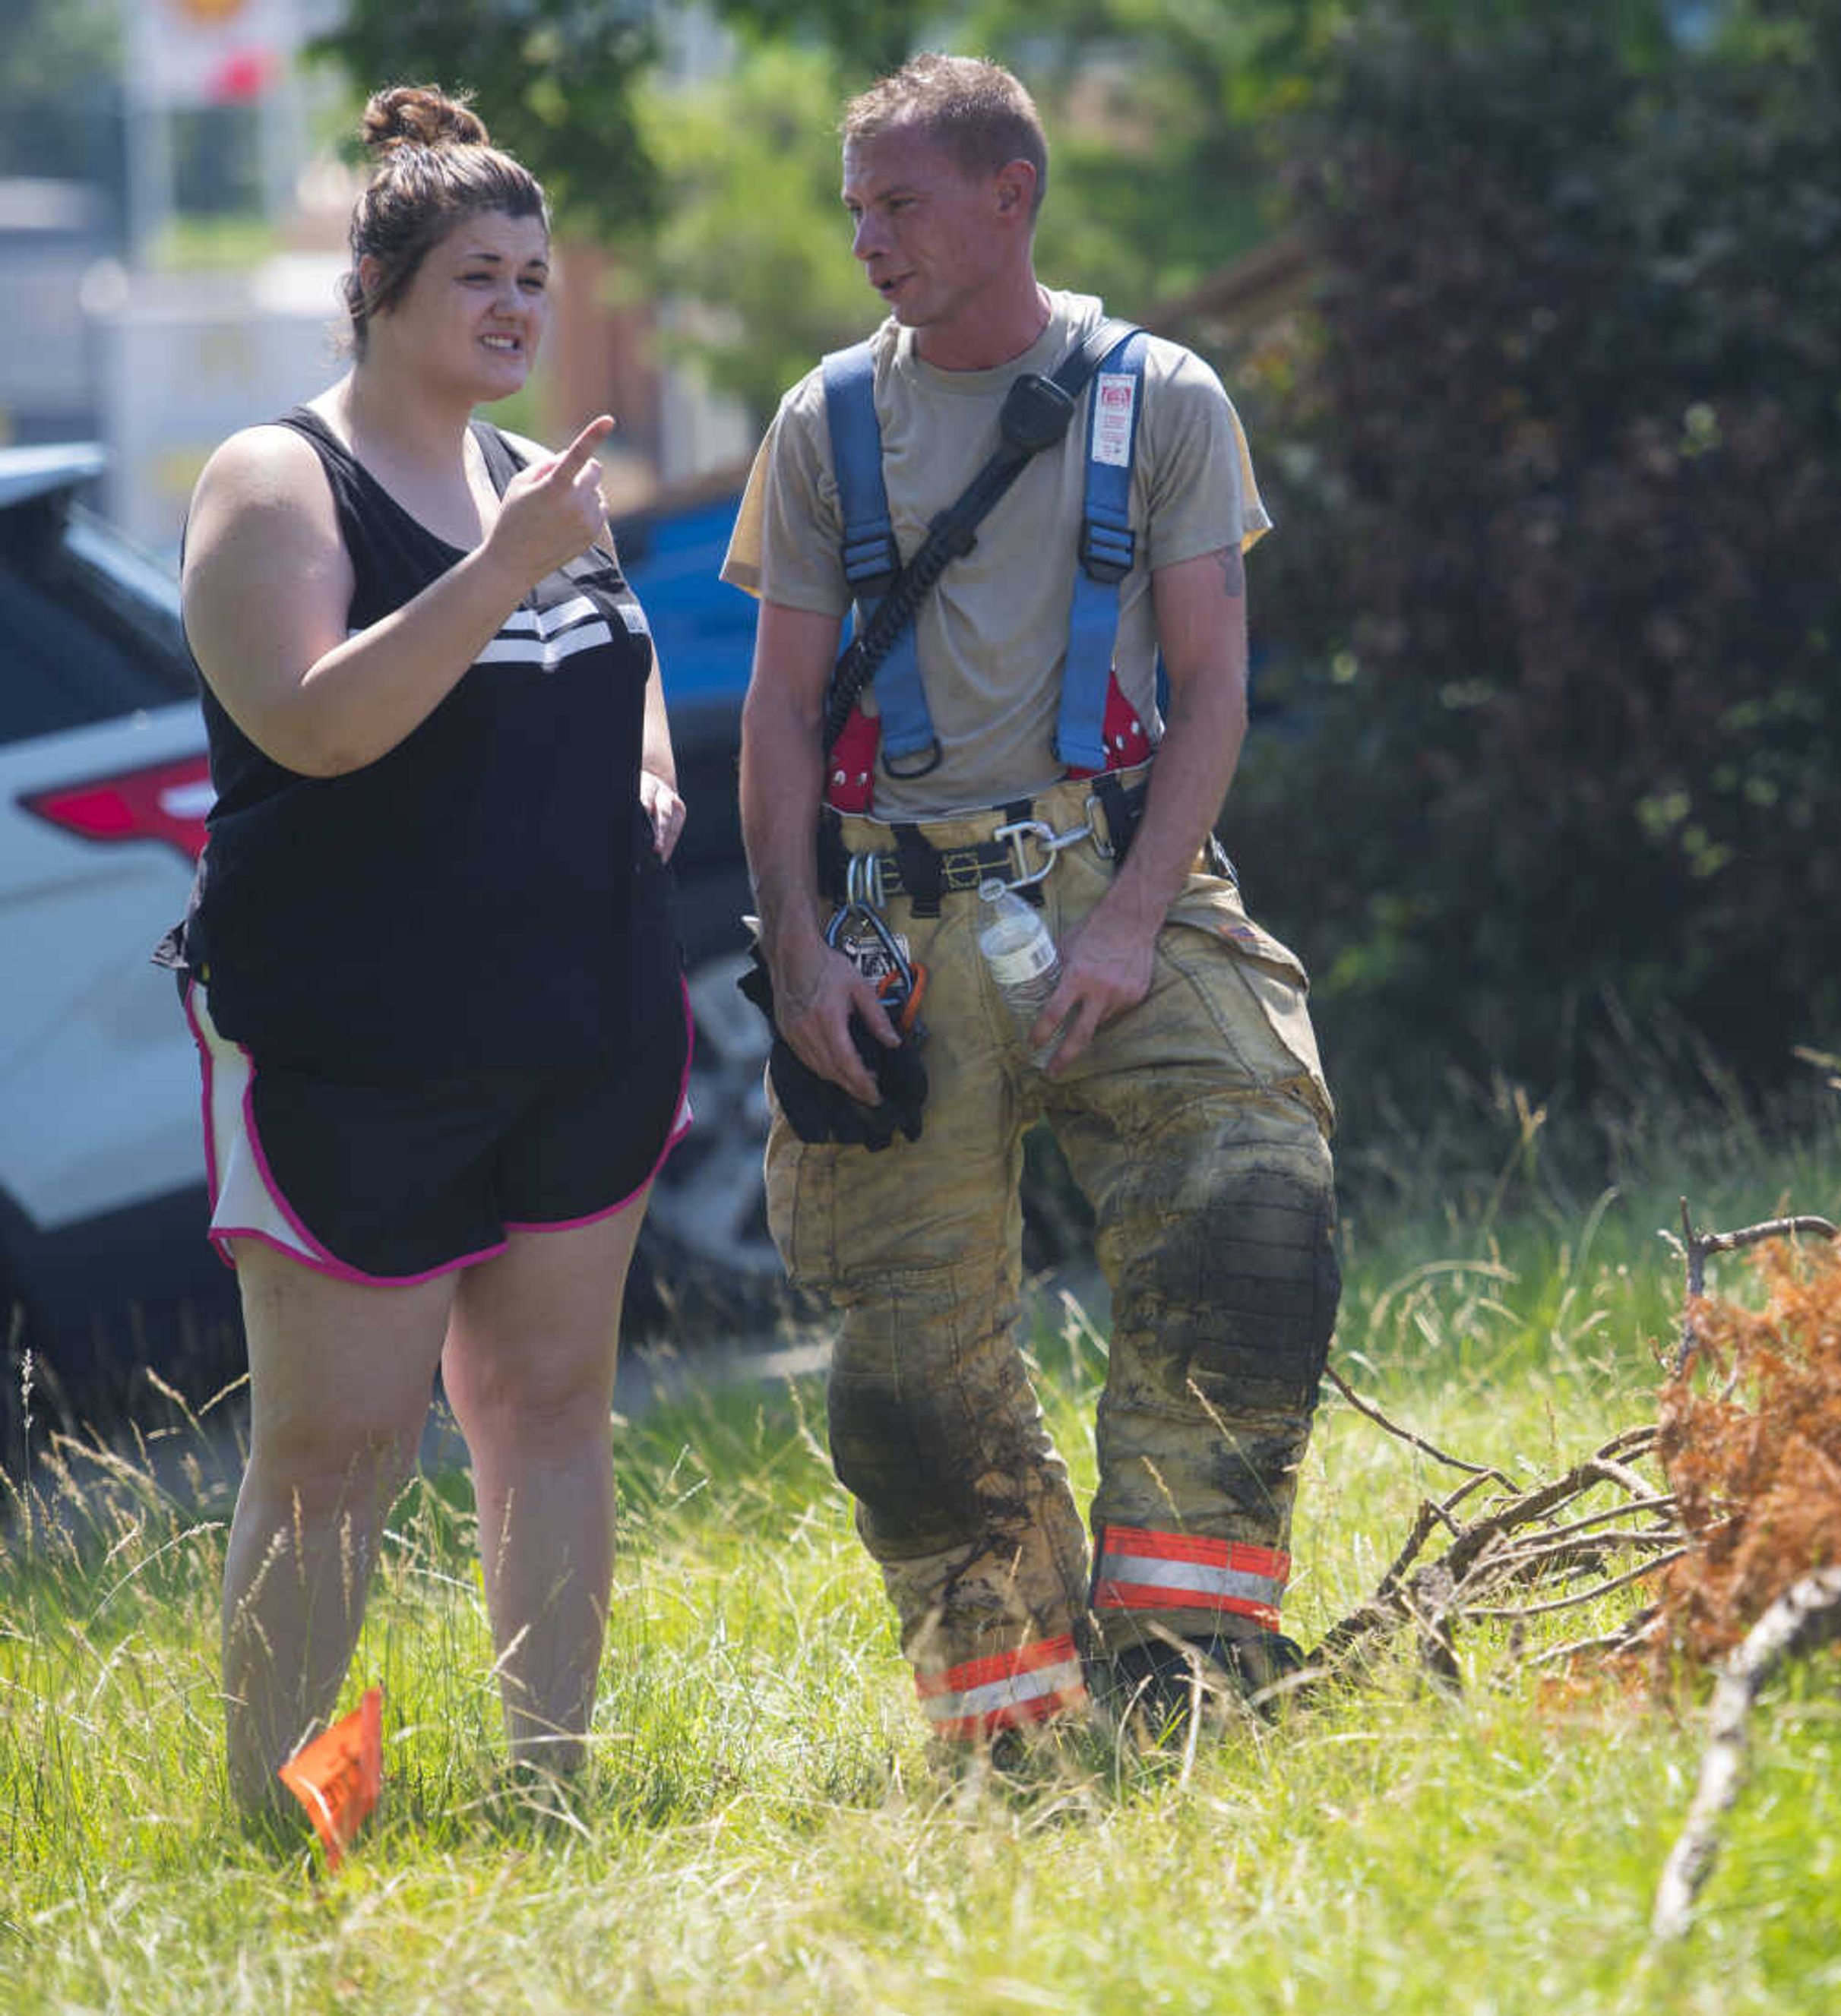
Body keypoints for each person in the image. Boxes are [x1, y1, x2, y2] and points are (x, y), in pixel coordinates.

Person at [726, 52, 1338, 1753]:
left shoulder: (1167, 400)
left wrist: (1138, 917)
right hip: (892, 927)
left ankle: (1190, 1664)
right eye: (854, 209)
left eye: (899, 203)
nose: (868, 241)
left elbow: (1214, 685)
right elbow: (777, 712)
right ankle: (1015, 1725)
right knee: (907, 1390)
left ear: (1013, 195)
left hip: (1110, 878)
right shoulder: (823, 421)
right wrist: (791, 951)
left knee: (1255, 1207)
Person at [172, 84, 688, 1820]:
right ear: (379, 284)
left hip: (579, 1024)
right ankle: (285, 1818)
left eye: (536, 278)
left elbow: (621, 685)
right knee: (337, 1453)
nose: (519, 309)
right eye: (480, 274)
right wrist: (500, 566)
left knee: (549, 1402)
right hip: (357, 1049)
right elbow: (315, 726)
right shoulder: (275, 477)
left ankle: (553, 1785)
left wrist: (646, 784)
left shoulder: (533, 486)